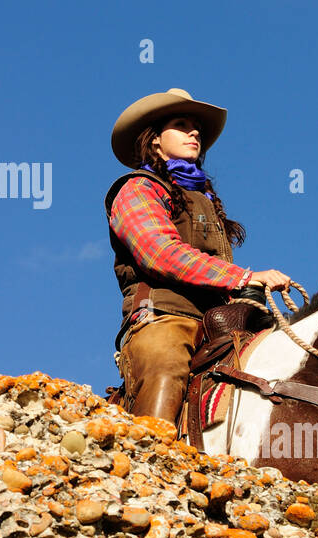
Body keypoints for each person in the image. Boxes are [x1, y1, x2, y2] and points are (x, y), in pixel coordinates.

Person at [105, 88, 292, 426]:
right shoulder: (137, 189)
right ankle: (152, 458)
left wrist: (249, 294)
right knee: (166, 367)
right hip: (163, 319)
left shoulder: (204, 199)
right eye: (181, 124)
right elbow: (159, 253)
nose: (194, 133)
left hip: (218, 322)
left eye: (196, 129)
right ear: (156, 140)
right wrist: (245, 277)